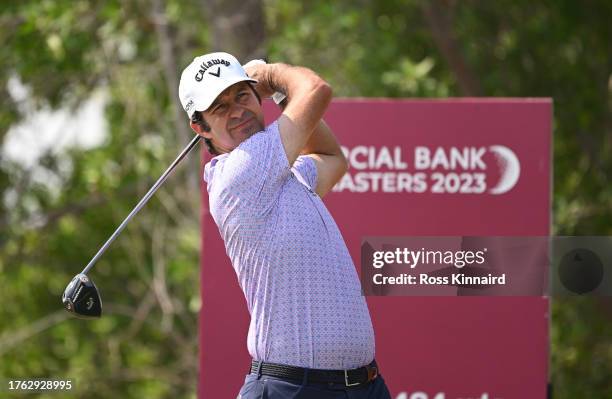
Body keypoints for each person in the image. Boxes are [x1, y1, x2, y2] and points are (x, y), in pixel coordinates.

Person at [178, 52, 392, 399]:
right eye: (219, 107)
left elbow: (331, 159)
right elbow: (316, 90)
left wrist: (277, 95)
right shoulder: (241, 171)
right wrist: (270, 75)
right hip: (292, 388)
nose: (236, 111)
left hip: (364, 386)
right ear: (200, 127)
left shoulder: (283, 175)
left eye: (241, 96)